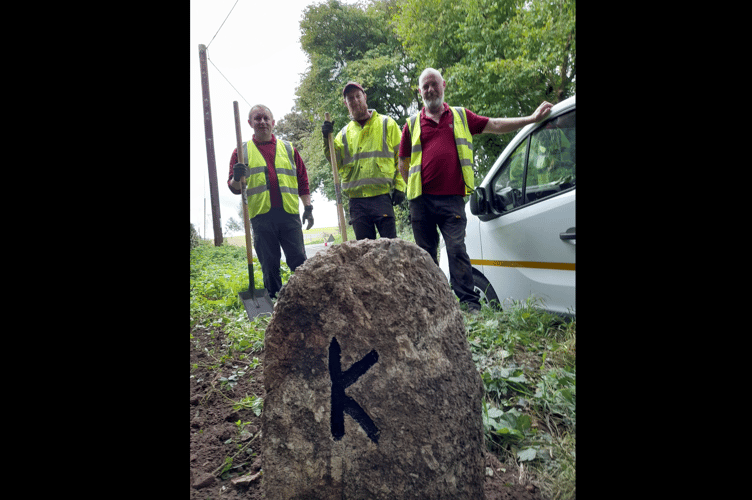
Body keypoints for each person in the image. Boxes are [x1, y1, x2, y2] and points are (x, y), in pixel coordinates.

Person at [398, 68, 553, 312]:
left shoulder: (460, 116)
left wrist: (531, 119)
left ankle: (469, 305)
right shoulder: (411, 124)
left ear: (443, 85)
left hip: (452, 201)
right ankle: (430, 306)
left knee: (457, 250)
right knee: (425, 256)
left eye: (433, 84)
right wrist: (413, 190)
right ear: (420, 92)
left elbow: (495, 124)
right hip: (421, 202)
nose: (429, 90)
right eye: (424, 87)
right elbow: (402, 164)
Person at [228, 104, 314, 299]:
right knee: (269, 263)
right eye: (258, 119)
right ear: (250, 123)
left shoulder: (288, 148)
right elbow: (233, 188)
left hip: (289, 214)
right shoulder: (240, 152)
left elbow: (302, 180)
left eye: (266, 118)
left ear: (273, 123)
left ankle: (307, 298)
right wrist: (236, 177)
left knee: (299, 260)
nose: (262, 122)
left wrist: (308, 206)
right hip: (261, 217)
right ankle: (275, 302)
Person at [321, 81, 406, 240]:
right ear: (346, 104)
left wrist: (400, 186)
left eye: (357, 96)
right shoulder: (343, 134)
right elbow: (334, 161)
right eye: (350, 99)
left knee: (390, 249)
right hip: (357, 203)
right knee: (364, 253)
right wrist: (327, 139)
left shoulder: (387, 124)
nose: (354, 100)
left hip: (381, 197)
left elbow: (401, 157)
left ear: (365, 97)